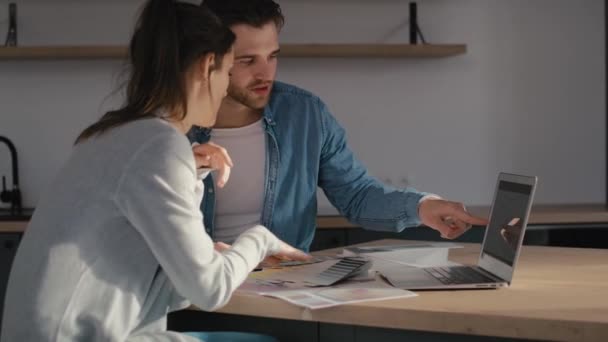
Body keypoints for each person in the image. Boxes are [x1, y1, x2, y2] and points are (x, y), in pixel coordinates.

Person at [0, 1, 308, 341]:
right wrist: (259, 240)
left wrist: (208, 252)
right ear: (208, 66)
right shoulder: (159, 146)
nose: (224, 89)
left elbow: (136, 279)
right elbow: (211, 290)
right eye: (229, 69)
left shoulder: (110, 134)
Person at [188, 0, 488, 251]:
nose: (265, 73)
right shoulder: (174, 123)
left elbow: (357, 195)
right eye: (247, 60)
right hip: (193, 292)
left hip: (281, 290)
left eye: (272, 56)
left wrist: (423, 207)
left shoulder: (305, 114)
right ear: (210, 60)